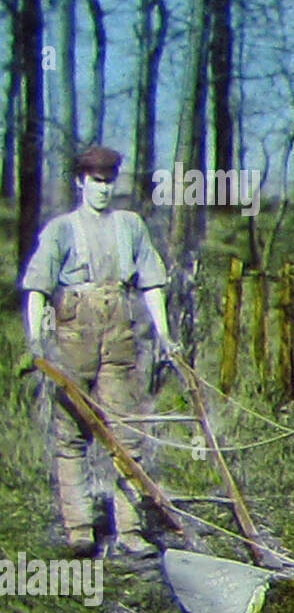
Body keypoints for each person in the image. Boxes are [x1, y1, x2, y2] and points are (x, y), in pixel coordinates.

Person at [20, 146, 177, 559]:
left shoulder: (130, 226)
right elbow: (37, 290)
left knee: (127, 433)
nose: (103, 189)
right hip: (74, 338)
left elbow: (153, 285)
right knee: (71, 435)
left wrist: (165, 336)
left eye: (109, 181)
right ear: (80, 182)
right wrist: (36, 343)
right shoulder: (61, 230)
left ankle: (129, 529)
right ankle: (80, 529)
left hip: (119, 337)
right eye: (95, 181)